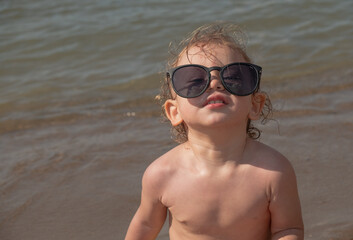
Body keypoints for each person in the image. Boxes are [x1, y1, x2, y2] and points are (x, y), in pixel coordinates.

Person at [125, 22, 304, 240]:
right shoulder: (162, 175)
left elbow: (287, 230)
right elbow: (144, 226)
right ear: (174, 111)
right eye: (194, 81)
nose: (215, 83)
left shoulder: (273, 172)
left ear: (255, 104)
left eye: (233, 78)